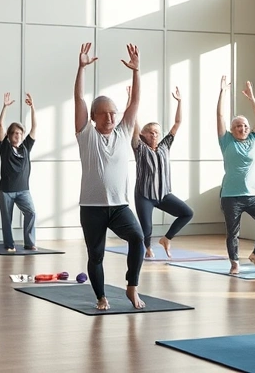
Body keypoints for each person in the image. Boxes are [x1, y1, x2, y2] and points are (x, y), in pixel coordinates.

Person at [74, 42, 146, 310]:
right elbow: (79, 99)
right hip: (91, 208)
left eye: (113, 113)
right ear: (93, 117)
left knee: (138, 239)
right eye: (103, 114)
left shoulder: (125, 131)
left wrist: (137, 71)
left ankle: (131, 286)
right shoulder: (86, 135)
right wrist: (81, 68)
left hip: (119, 206)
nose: (110, 117)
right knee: (96, 255)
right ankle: (101, 297)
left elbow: (135, 102)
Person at [217, 76, 255, 275]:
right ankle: (234, 263)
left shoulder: (254, 139)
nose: (243, 128)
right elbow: (220, 117)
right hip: (231, 196)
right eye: (238, 126)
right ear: (232, 130)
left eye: (245, 126)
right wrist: (223, 93)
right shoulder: (226, 141)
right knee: (233, 232)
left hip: (253, 195)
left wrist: (251, 98)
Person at [133, 86, 193, 259]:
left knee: (187, 213)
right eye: (150, 132)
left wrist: (180, 102)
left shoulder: (165, 146)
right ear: (144, 135)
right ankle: (147, 248)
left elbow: (177, 124)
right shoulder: (140, 148)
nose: (154, 135)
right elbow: (134, 127)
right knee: (146, 228)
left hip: (164, 194)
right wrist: (133, 102)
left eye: (157, 133)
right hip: (145, 195)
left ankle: (166, 239)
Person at [0, 92, 37, 252]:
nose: (17, 135)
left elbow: (34, 127)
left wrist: (33, 107)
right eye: (14, 133)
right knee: (7, 219)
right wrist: (4, 107)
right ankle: (9, 245)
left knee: (31, 213)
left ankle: (30, 242)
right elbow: (0, 126)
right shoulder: (4, 147)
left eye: (20, 133)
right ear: (9, 135)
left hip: (23, 190)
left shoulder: (26, 146)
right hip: (6, 190)